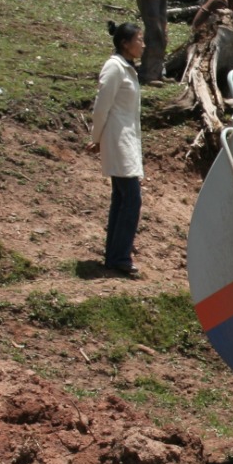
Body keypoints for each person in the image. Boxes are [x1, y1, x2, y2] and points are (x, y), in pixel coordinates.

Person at [89, 21, 145, 278]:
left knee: (122, 199)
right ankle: (119, 256)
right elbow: (102, 105)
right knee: (130, 199)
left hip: (126, 139)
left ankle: (114, 255)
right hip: (117, 139)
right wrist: (97, 136)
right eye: (139, 40)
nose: (143, 44)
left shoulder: (127, 68)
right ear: (125, 43)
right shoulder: (114, 67)